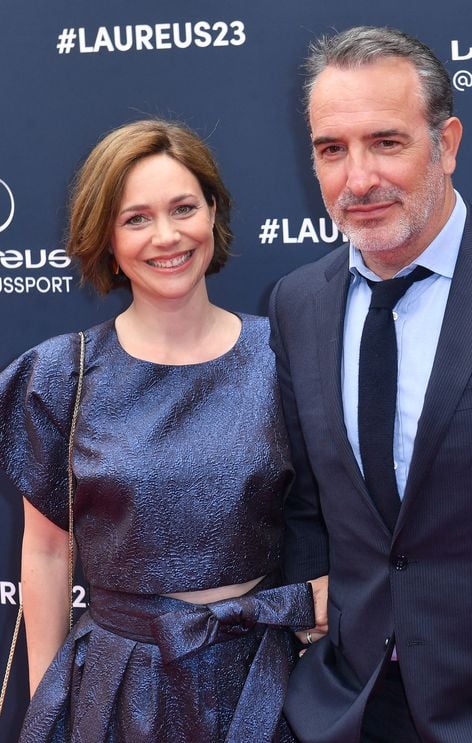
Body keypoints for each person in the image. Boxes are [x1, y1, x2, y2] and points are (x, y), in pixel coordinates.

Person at [269, 25, 472, 743]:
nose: (359, 179)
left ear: (447, 144)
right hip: (351, 703)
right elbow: (308, 499)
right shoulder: (297, 302)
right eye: (331, 150)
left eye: (386, 141)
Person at [0, 119, 321, 742]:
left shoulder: (285, 356)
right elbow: (43, 550)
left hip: (265, 677)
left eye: (183, 208)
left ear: (213, 213)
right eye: (136, 218)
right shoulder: (61, 376)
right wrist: (49, 702)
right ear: (107, 239)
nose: (167, 237)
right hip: (118, 687)